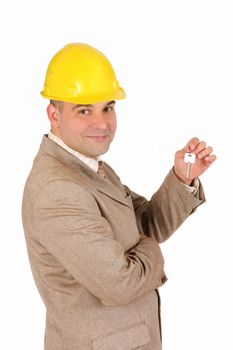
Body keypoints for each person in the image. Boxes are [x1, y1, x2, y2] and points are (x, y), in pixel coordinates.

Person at [22, 43, 216, 350]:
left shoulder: (90, 166)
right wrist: (151, 250)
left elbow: (145, 223)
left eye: (108, 108)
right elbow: (120, 285)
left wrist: (182, 178)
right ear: (54, 115)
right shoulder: (57, 190)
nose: (101, 123)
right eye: (84, 110)